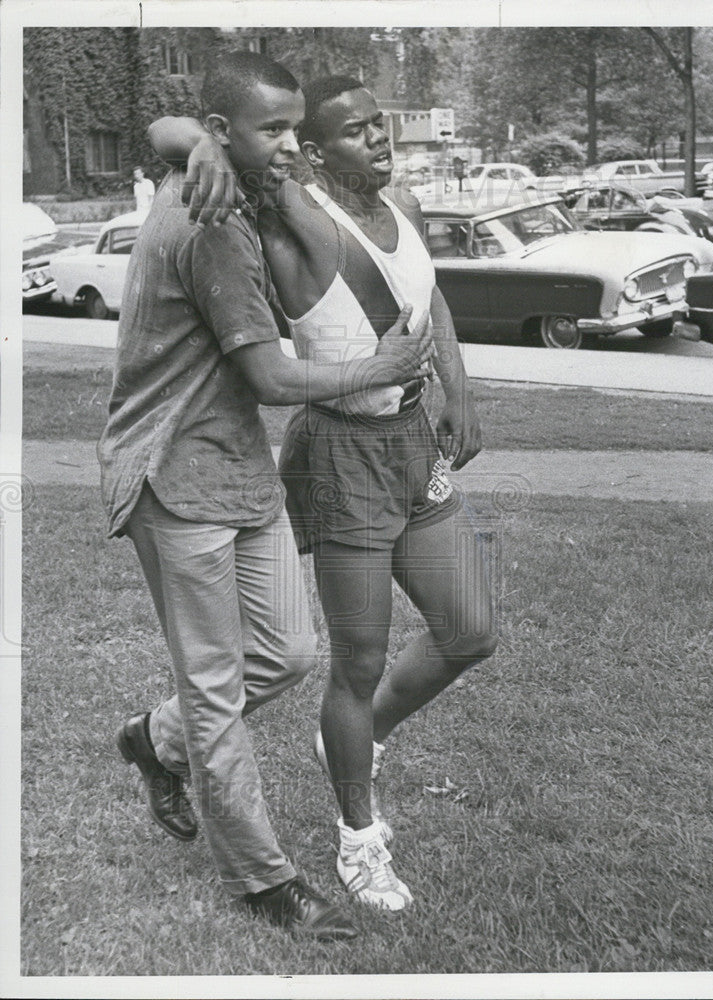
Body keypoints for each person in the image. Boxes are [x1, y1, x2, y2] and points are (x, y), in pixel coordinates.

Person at [102, 52, 433, 942]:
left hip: (239, 468)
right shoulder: (211, 220)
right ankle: (264, 879)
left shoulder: (224, 176)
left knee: (287, 654)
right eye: (273, 130)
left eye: (296, 127)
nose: (291, 145)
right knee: (215, 685)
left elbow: (174, 131)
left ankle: (150, 738)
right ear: (226, 136)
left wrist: (188, 139)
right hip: (174, 473)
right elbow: (272, 375)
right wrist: (390, 366)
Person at [150, 75, 498, 913]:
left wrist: (457, 383)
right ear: (313, 149)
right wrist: (198, 141)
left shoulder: (402, 200)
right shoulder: (287, 205)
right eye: (353, 133)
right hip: (343, 453)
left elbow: (427, 297)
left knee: (469, 629)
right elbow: (170, 129)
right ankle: (358, 839)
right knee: (359, 661)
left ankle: (352, 738)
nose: (376, 140)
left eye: (379, 124)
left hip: (414, 438)